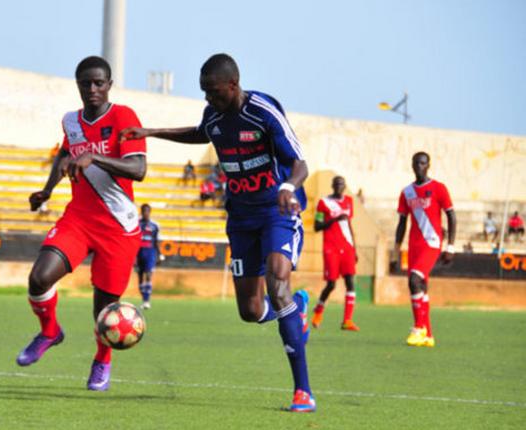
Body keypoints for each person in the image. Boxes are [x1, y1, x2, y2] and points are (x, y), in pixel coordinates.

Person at [121, 53, 314, 412]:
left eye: (213, 92)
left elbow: (301, 162)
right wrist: (152, 132)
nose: (208, 100)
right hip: (240, 217)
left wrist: (288, 187)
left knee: (278, 280)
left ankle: (303, 390)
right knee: (251, 310)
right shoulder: (214, 115)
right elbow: (200, 133)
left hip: (277, 210)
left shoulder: (263, 111)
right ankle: (294, 309)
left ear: (233, 85)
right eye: (204, 93)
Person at [16, 56, 147, 392]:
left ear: (109, 85)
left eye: (99, 83)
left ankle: (103, 359)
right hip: (79, 218)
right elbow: (64, 154)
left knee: (104, 310)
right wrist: (46, 191)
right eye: (86, 83)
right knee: (38, 277)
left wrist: (94, 157)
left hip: (118, 226)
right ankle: (49, 332)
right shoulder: (70, 122)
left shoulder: (123, 116)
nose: (93, 89)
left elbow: (138, 169)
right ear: (77, 85)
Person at [394, 151, 456, 348]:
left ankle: (418, 327)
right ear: (412, 165)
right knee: (422, 287)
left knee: (414, 280)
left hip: (432, 243)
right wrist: (396, 248)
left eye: (423, 163)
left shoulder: (438, 188)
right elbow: (402, 223)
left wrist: (451, 246)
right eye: (417, 163)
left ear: (428, 165)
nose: (420, 166)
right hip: (414, 245)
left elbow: (451, 217)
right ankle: (428, 335)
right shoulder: (406, 192)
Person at [311, 176, 359, 331]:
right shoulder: (324, 203)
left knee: (350, 282)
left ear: (345, 186)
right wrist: (334, 219)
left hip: (348, 247)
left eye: (341, 184)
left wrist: (355, 248)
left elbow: (348, 225)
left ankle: (347, 320)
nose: (339, 186)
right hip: (331, 247)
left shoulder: (349, 202)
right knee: (331, 283)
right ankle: (318, 311)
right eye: (336, 184)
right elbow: (317, 226)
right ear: (332, 186)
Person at [136, 203, 160, 309]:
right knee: (140, 276)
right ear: (141, 212)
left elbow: (156, 241)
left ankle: (147, 300)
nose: (146, 213)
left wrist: (159, 254)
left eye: (147, 211)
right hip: (139, 252)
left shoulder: (154, 226)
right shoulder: (137, 224)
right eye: (144, 211)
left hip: (150, 252)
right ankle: (143, 297)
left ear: (150, 212)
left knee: (149, 274)